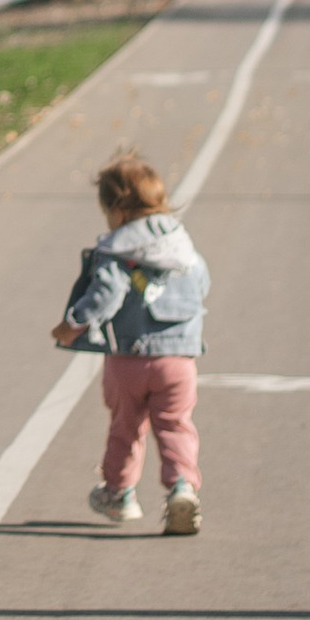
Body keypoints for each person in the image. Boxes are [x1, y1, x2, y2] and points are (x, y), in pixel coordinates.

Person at [53, 152, 209, 537]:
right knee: (175, 425)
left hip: (128, 359)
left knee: (126, 427)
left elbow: (106, 293)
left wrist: (72, 325)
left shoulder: (116, 248)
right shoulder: (181, 244)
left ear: (118, 209)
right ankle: (181, 489)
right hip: (178, 360)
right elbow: (202, 284)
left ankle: (119, 494)